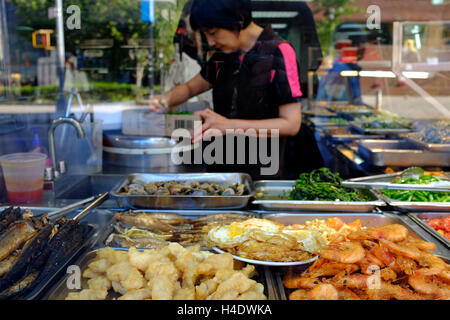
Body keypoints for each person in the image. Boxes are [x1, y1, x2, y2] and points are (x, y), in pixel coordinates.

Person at [150, 0, 302, 179]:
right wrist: (164, 100)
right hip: (218, 170)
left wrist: (229, 126)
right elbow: (190, 88)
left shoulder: (279, 52)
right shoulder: (222, 57)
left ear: (239, 20)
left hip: (261, 173)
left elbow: (291, 124)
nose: (210, 42)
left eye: (213, 33)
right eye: (205, 34)